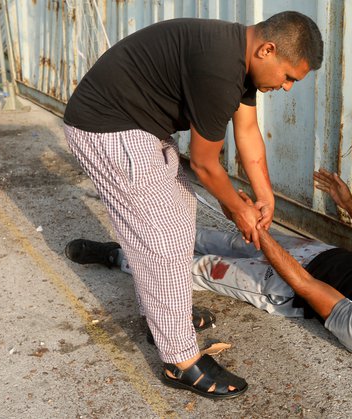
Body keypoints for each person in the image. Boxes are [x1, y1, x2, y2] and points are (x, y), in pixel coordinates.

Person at [62, 11, 323, 399]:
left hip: (139, 126)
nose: (287, 87)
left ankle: (165, 317)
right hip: (107, 127)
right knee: (162, 237)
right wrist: (239, 210)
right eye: (289, 77)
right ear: (268, 49)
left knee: (182, 213)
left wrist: (264, 196)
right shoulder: (220, 69)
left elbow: (248, 132)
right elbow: (204, 162)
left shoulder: (241, 58)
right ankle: (179, 360)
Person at [66, 170, 352, 386]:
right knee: (205, 235)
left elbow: (306, 286)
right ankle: (139, 220)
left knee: (189, 269)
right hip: (316, 253)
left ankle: (115, 255)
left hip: (281, 285)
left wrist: (260, 234)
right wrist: (348, 202)